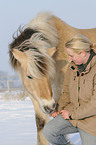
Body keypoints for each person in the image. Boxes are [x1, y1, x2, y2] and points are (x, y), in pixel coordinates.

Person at [43, 35, 96, 145]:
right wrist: (59, 109)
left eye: (71, 55)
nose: (69, 59)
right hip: (73, 114)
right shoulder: (72, 67)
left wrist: (72, 114)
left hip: (92, 121)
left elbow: (94, 104)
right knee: (49, 131)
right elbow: (66, 91)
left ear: (82, 52)